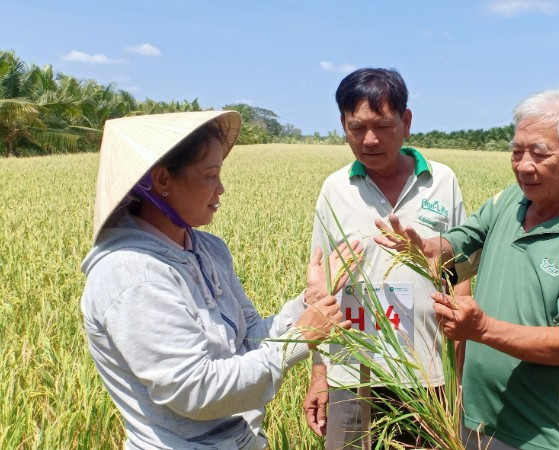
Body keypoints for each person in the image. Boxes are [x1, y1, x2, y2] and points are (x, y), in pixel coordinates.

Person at [80, 111, 362, 449]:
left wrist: (308, 303)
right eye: (210, 175)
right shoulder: (131, 275)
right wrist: (300, 338)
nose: (221, 189)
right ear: (162, 181)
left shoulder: (208, 250)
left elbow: (248, 342)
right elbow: (195, 391)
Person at [376, 90, 559, 449]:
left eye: (540, 154)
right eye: (517, 151)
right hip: (476, 422)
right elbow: (463, 241)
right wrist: (428, 249)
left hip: (544, 435)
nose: (524, 165)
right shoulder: (509, 201)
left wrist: (484, 330)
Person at [301, 67, 470, 449]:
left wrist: (460, 372)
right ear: (342, 125)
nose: (370, 140)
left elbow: (461, 275)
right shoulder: (335, 189)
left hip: (429, 374)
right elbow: (319, 285)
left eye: (382, 125)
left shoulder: (442, 182)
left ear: (406, 121)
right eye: (356, 128)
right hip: (353, 371)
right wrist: (319, 373)